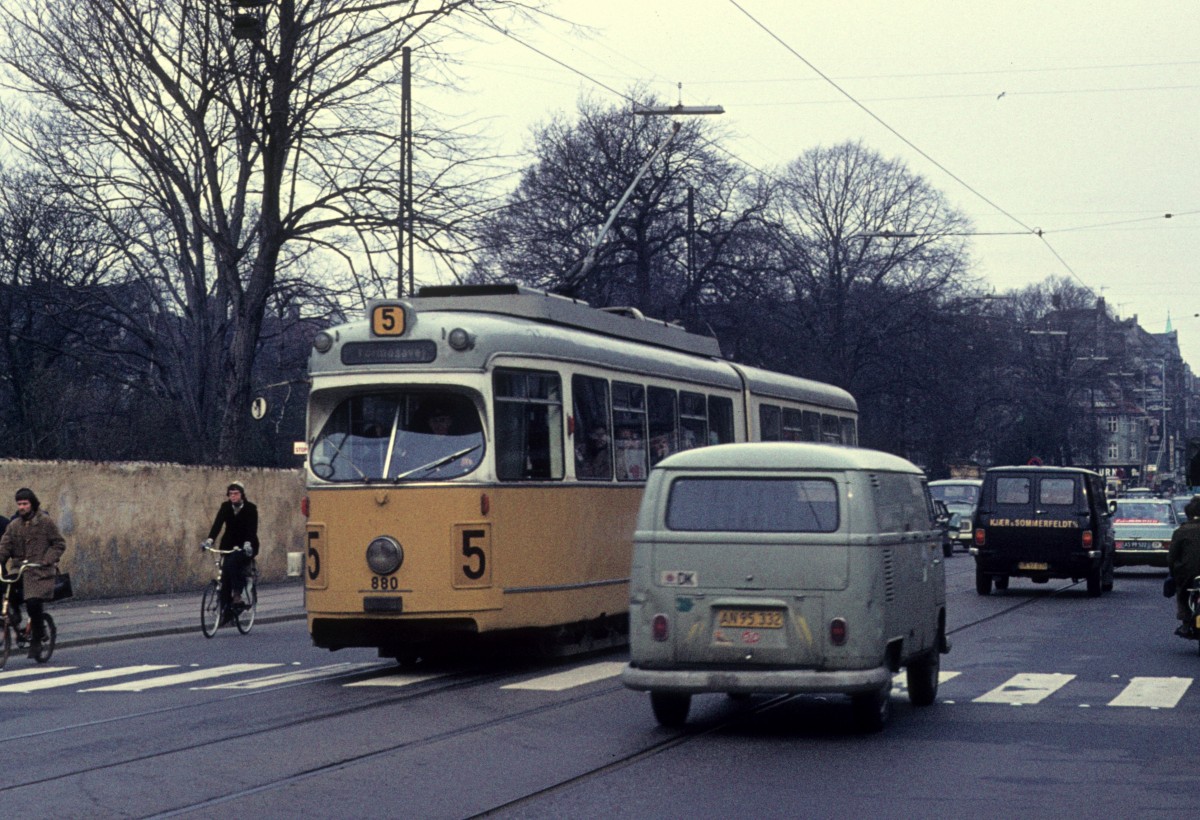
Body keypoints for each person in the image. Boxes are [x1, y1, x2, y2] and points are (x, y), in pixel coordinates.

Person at [0, 488, 67, 657]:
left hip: (40, 572)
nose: (22, 507)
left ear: (32, 504)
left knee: (33, 603)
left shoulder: (45, 522)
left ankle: (37, 638)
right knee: (5, 589)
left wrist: (46, 560)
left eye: (25, 503)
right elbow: (5, 547)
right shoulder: (14, 525)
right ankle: (14, 617)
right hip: (19, 570)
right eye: (19, 504)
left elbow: (58, 544)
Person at [202, 482, 259, 613]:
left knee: (233, 563)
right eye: (231, 494)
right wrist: (210, 540)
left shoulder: (251, 508)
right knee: (224, 574)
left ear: (242, 495)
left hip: (247, 545)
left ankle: (237, 594)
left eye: (236, 494)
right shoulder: (225, 507)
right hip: (229, 544)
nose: (233, 497)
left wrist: (248, 543)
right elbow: (217, 524)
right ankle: (225, 610)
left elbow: (252, 528)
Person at [1168, 495, 1200, 638]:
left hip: (1188, 572)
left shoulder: (1181, 531)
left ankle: (1186, 622)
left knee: (1182, 593)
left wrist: (1173, 572)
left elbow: (1172, 557)